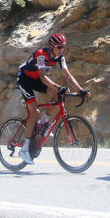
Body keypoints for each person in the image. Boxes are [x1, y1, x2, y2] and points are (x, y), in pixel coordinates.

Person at [15, 33, 90, 165]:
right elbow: (44, 77)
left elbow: (67, 75)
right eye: (59, 47)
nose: (62, 50)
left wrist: (80, 90)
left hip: (36, 80)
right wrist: (58, 86)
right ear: (52, 46)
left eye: (63, 47)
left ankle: (43, 123)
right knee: (35, 112)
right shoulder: (41, 54)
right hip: (25, 80)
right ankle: (25, 149)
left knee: (58, 95)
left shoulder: (60, 57)